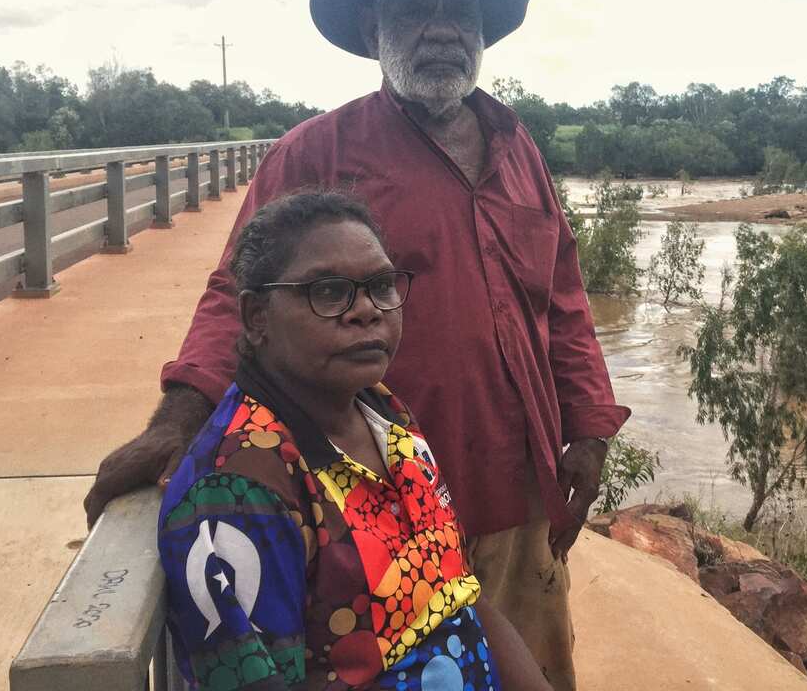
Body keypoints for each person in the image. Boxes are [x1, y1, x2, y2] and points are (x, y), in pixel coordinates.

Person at [88, 0, 630, 690]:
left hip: (516, 493)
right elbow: (234, 292)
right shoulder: (318, 152)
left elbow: (566, 302)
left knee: (522, 664)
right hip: (371, 503)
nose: (442, 31)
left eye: (461, 14)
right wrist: (177, 419)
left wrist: (588, 429)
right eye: (417, 11)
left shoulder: (520, 150)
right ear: (375, 28)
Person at [159, 190, 552, 690]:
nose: (366, 310)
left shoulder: (386, 413)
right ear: (257, 317)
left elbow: (461, 597)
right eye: (329, 291)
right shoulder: (239, 490)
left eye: (381, 286)